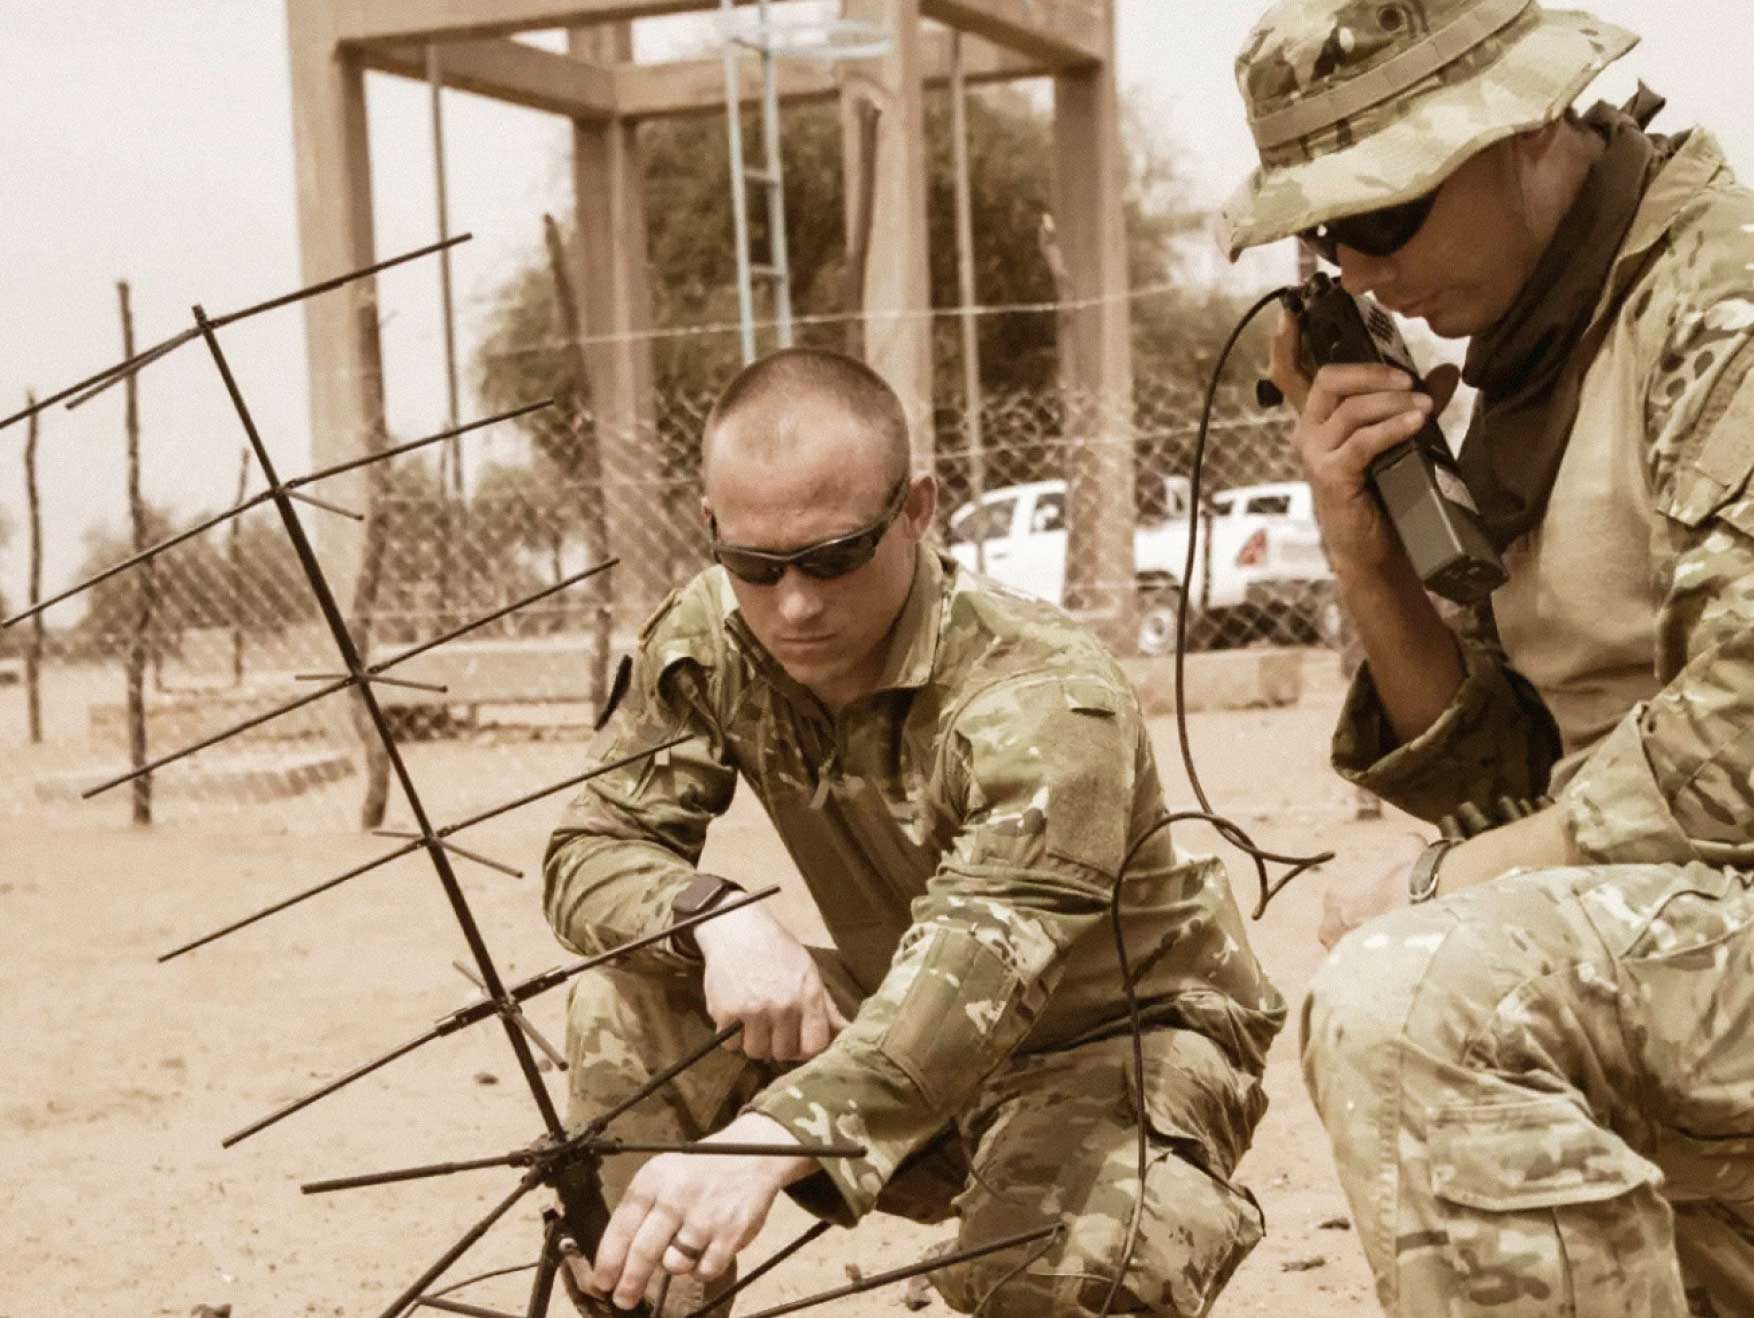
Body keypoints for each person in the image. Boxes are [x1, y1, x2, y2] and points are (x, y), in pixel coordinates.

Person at [542, 346, 1284, 1316]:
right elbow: (587, 846)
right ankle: (643, 1298)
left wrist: (771, 1138)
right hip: (894, 1016)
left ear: (917, 510)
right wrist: (710, 913)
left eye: (833, 556)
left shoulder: (1040, 692)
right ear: (712, 531)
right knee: (632, 986)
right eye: (755, 565)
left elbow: (984, 967)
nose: (794, 603)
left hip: (1113, 1042)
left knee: (1064, 1276)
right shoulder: (714, 634)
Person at [1221, 0, 1754, 1313]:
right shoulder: (1534, 352)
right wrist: (1366, 549)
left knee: (1411, 997)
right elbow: (1519, 779)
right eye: (1323, 234)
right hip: (1685, 941)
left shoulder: (1721, 310)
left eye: (1383, 214)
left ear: (1517, 125)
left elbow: (1736, 745)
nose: (1356, 271)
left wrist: (1443, 879)